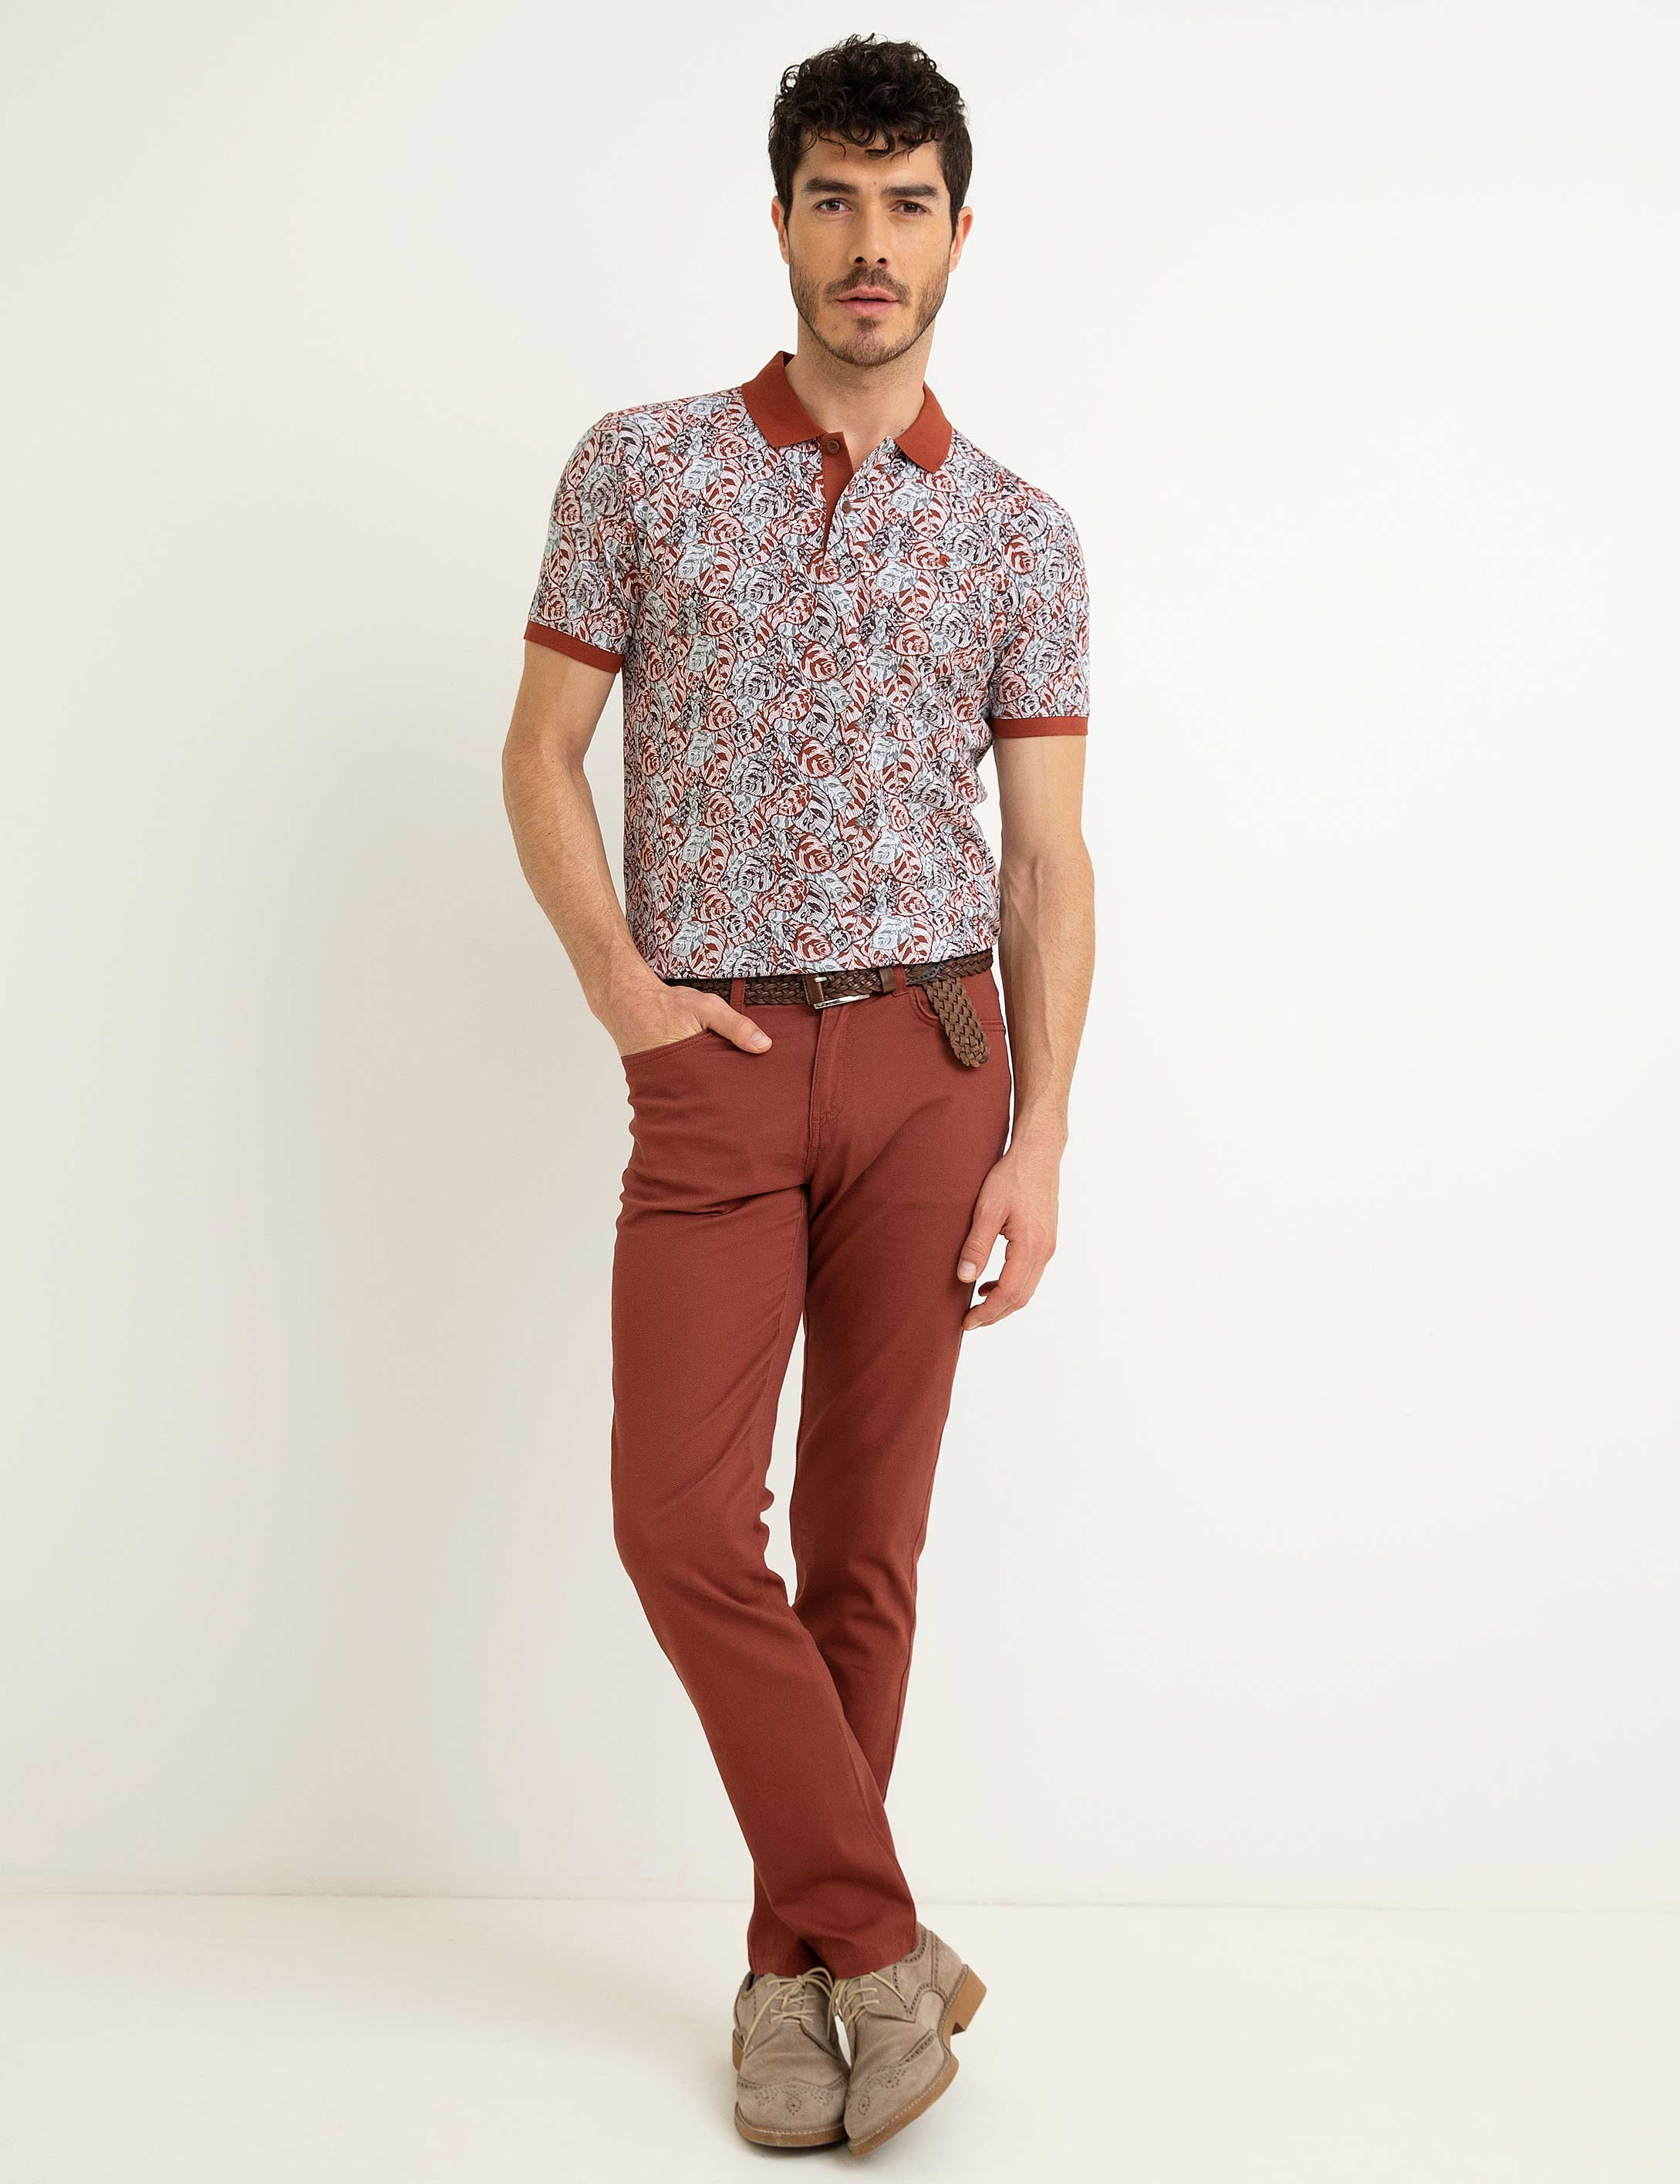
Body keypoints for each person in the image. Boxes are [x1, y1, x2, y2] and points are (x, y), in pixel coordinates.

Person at [501, 32, 1093, 2158]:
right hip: (718, 1066)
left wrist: (1038, 1137)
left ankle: (793, 1979)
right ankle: (881, 1939)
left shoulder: (1019, 534)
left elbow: (1045, 862)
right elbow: (539, 755)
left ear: (957, 233)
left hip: (936, 1066)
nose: (868, 243)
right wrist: (623, 990)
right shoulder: (641, 470)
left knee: (863, 1544)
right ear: (778, 223)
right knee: (677, 1522)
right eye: (832, 200)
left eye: (904, 204)